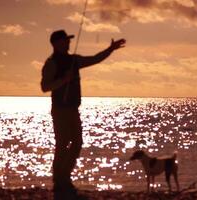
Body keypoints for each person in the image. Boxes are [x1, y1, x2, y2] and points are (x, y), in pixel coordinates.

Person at [41, 29, 125, 199]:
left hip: (73, 109)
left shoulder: (74, 60)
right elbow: (45, 86)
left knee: (77, 142)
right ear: (56, 43)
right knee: (62, 144)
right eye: (65, 40)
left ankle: (63, 178)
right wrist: (63, 80)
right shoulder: (51, 63)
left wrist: (110, 49)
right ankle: (60, 181)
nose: (69, 42)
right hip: (60, 110)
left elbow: (94, 59)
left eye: (68, 40)